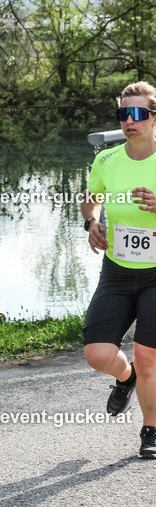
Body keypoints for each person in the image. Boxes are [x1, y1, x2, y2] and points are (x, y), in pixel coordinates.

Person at [81, 80, 156, 459]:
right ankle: (123, 379)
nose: (130, 120)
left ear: (154, 117)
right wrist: (91, 222)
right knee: (96, 353)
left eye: (139, 113)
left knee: (147, 355)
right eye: (124, 114)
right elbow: (89, 201)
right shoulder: (107, 160)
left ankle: (151, 429)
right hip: (118, 268)